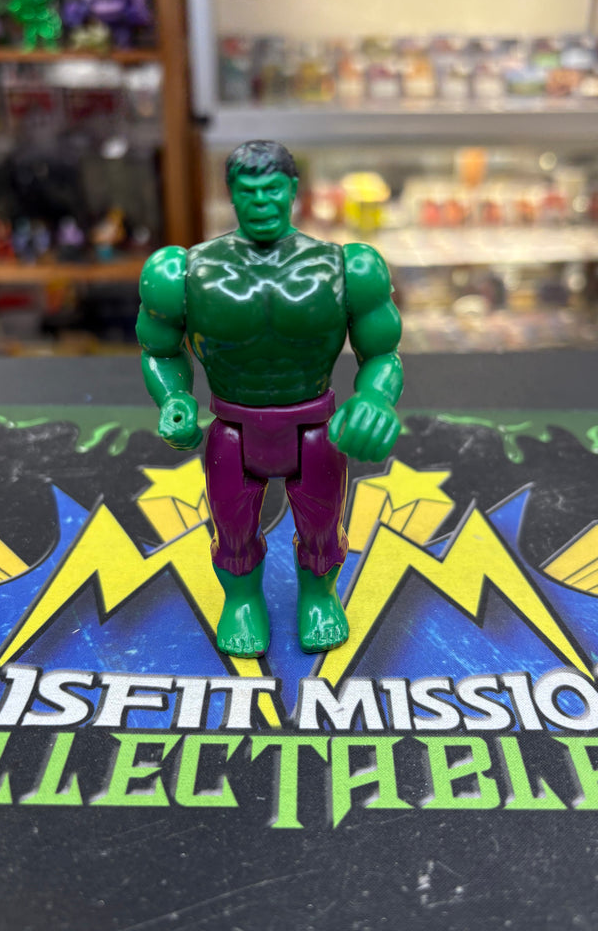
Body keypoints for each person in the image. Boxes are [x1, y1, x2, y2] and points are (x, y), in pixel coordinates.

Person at [137, 140, 402, 658]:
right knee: (232, 529)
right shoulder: (183, 273)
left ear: (293, 190)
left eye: (273, 188)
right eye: (249, 190)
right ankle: (241, 601)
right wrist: (173, 399)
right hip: (233, 426)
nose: (261, 201)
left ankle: (319, 597)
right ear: (231, 194)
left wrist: (374, 398)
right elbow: (159, 351)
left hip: (315, 425)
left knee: (323, 527)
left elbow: (383, 354)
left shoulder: (348, 268)